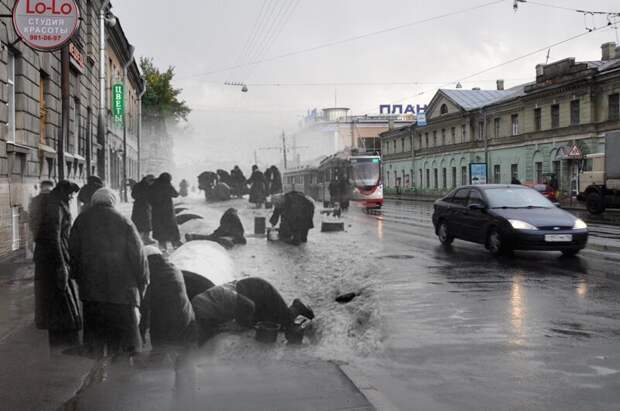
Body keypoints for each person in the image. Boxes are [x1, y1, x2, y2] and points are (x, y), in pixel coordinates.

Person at [69, 188, 149, 357]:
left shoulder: (81, 220)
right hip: (122, 292)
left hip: (91, 291)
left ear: (94, 201)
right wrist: (142, 281)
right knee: (121, 344)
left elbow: (73, 253)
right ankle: (119, 374)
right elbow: (138, 256)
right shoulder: (124, 221)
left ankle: (97, 374)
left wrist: (78, 277)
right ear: (113, 201)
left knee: (96, 341)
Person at [35, 180, 81, 346]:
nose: (71, 197)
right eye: (70, 194)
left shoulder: (57, 202)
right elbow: (54, 237)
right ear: (63, 191)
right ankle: (63, 335)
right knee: (60, 294)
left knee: (59, 296)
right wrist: (62, 264)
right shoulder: (55, 206)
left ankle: (62, 332)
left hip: (53, 256)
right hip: (53, 258)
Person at [140, 247, 197, 348]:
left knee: (160, 355)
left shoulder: (151, 276)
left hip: (166, 327)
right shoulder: (174, 270)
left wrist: (141, 335)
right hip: (187, 319)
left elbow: (144, 307)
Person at [232, 277, 314, 331]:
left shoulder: (233, 295)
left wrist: (244, 324)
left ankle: (297, 306)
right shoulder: (229, 294)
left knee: (286, 320)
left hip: (263, 291)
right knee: (266, 321)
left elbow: (245, 307)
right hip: (255, 293)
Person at [191, 285, 256, 345]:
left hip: (198, 302)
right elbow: (241, 323)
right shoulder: (238, 305)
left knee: (207, 333)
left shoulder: (231, 294)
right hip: (204, 309)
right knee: (207, 337)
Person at [30, 180, 54, 328]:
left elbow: (32, 224)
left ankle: (40, 317)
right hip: (53, 248)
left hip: (40, 248)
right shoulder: (55, 201)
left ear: (41, 187)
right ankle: (52, 315)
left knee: (40, 284)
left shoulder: (34, 201)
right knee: (53, 284)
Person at [149, 172, 182, 250]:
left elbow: (149, 197)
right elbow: (176, 194)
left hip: (156, 211)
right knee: (171, 227)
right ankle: (175, 245)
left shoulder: (154, 185)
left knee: (159, 228)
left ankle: (162, 248)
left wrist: (154, 204)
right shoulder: (167, 185)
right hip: (167, 211)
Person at [131, 175, 156, 245]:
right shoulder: (138, 186)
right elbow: (133, 195)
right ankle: (138, 239)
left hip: (147, 206)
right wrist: (142, 196)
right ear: (147, 180)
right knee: (139, 223)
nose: (152, 183)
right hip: (139, 207)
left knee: (148, 223)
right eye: (151, 181)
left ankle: (146, 238)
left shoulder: (151, 186)